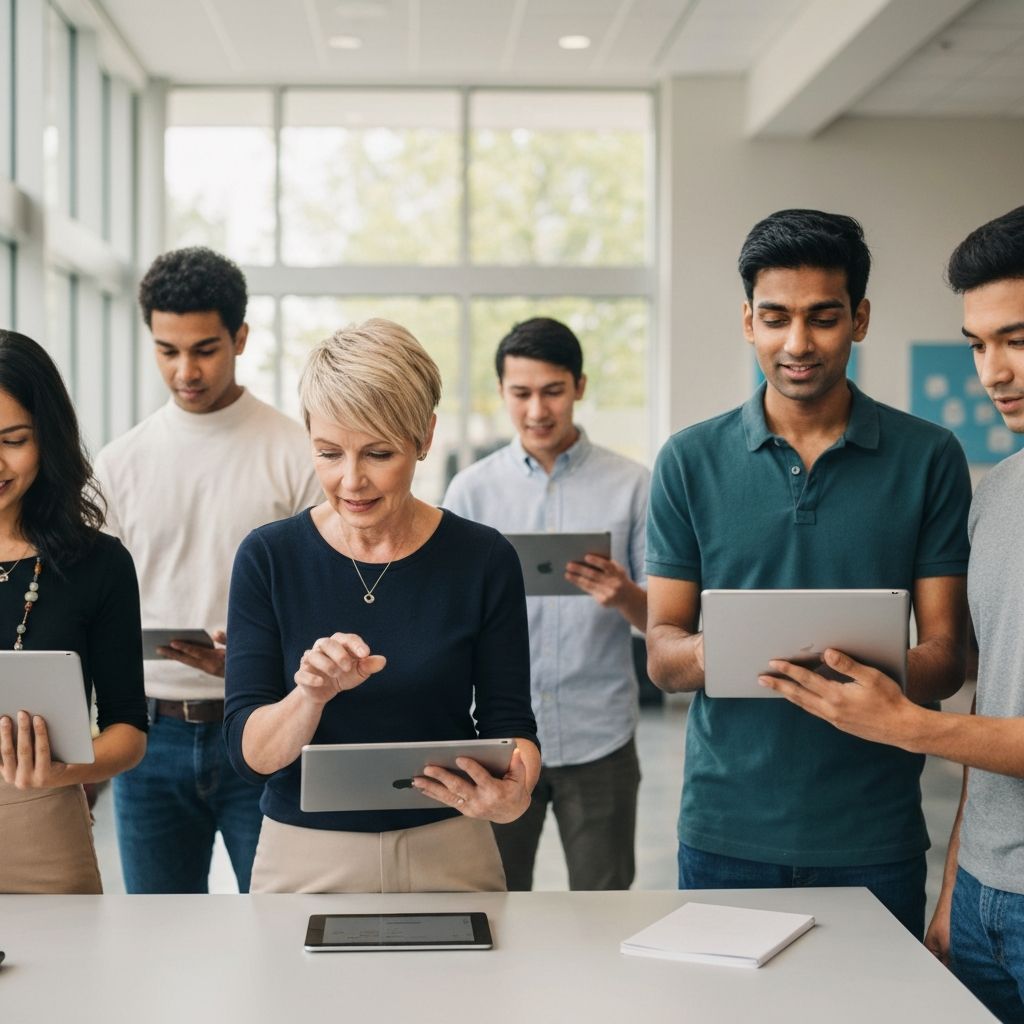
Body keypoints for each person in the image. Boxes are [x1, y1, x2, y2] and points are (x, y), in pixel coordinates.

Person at [645, 209, 972, 938]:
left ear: (859, 319)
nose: (797, 344)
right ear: (747, 322)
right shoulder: (688, 462)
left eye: (823, 318)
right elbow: (663, 658)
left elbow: (949, 658)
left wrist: (868, 684)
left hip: (874, 833)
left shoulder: (929, 458)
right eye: (776, 318)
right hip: (725, 833)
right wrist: (725, 647)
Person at [760, 205, 1024, 1023]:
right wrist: (955, 886)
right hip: (984, 896)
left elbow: (949, 700)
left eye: (1017, 337)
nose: (993, 371)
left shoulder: (937, 464)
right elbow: (996, 699)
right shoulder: (1003, 493)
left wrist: (905, 724)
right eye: (978, 343)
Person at [223, 318, 540, 894]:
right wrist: (311, 695)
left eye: (378, 452)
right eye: (328, 452)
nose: (351, 480)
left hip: (451, 843)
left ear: (424, 436)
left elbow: (511, 726)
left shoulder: (484, 557)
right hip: (304, 853)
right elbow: (252, 756)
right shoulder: (269, 557)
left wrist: (513, 794)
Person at [93, 247, 320, 894]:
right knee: (157, 944)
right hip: (148, 736)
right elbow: (100, 607)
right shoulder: (119, 463)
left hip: (263, 724)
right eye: (167, 350)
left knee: (279, 930)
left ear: (240, 338)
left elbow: (325, 601)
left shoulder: (297, 453)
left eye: (205, 349)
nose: (185, 370)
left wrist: (253, 661)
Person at [444, 317, 648, 891]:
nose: (537, 410)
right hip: (496, 743)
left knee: (604, 903)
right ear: (502, 393)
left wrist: (625, 595)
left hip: (600, 735)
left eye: (553, 391)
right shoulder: (471, 491)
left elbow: (667, 621)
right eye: (521, 393)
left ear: (579, 386)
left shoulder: (633, 485)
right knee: (496, 898)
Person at [0, 330, 147, 893]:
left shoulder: (99, 563)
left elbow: (128, 731)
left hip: (45, 834)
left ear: (48, 439)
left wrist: (63, 771)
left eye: (14, 439)